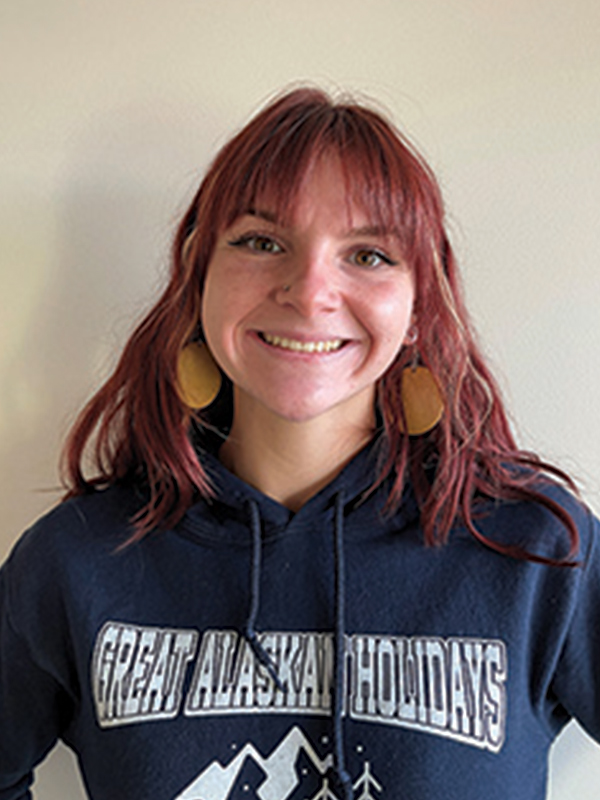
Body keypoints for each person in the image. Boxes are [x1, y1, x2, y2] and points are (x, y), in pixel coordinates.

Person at [0, 86, 598, 800]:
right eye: (261, 242)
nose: (310, 289)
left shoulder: (537, 553)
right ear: (199, 276)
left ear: (418, 309)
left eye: (369, 254)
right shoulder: (76, 560)